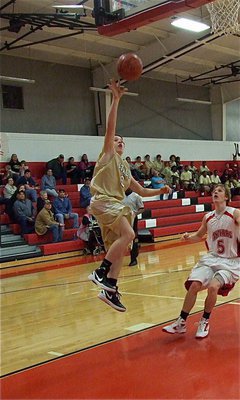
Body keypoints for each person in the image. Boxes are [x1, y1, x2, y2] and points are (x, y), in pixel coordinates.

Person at [88, 79, 171, 312]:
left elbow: (142, 191)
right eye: (117, 139)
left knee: (121, 246)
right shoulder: (107, 156)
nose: (119, 140)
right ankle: (100, 272)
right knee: (130, 233)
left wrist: (161, 191)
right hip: (104, 202)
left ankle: (110, 288)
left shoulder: (124, 166)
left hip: (112, 206)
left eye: (122, 140)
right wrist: (115, 99)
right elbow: (110, 129)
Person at [163, 184, 240, 339]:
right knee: (194, 286)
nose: (215, 192)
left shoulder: (234, 213)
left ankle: (204, 320)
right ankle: (181, 322)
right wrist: (188, 237)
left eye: (219, 191)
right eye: (214, 191)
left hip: (230, 262)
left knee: (213, 287)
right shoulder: (208, 217)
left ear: (226, 197)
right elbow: (199, 236)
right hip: (211, 258)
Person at [123, 189, 144, 266]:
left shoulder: (136, 196)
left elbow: (142, 209)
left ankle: (133, 259)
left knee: (133, 238)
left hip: (132, 219)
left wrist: (135, 213)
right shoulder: (120, 195)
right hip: (122, 219)